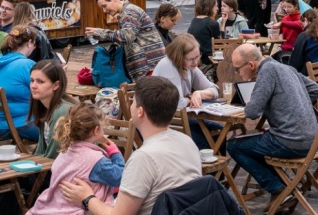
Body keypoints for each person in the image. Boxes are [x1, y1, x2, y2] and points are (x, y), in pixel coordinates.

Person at [59, 77, 201, 215]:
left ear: (140, 111)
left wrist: (86, 198)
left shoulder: (143, 158)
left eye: (133, 102)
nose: (130, 106)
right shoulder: (187, 142)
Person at [225, 44, 318, 200]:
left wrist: (255, 102)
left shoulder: (267, 72)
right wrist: (292, 102)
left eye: (237, 69)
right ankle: (283, 186)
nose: (237, 73)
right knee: (256, 142)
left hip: (290, 142)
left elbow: (252, 112)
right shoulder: (285, 68)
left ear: (251, 65)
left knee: (234, 145)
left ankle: (278, 188)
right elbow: (317, 89)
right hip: (312, 140)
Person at [0, 59, 77, 215]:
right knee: (10, 177)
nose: (33, 85)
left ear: (56, 85)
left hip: (66, 174)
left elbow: (55, 155)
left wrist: (28, 165)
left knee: (11, 180)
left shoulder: (62, 111)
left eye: (40, 81)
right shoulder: (45, 106)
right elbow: (42, 150)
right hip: (52, 168)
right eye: (31, 80)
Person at [26, 103, 122, 215]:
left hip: (52, 208)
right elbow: (119, 177)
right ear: (96, 130)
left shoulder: (65, 151)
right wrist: (115, 154)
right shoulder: (96, 160)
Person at [150, 34, 220, 149]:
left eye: (198, 56)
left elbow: (215, 91)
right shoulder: (168, 66)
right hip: (163, 121)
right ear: (179, 57)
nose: (196, 62)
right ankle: (202, 166)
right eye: (191, 59)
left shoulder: (190, 66)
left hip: (181, 118)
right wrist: (189, 97)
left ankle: (217, 166)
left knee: (218, 131)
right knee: (204, 140)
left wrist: (199, 93)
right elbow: (178, 104)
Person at [87, 0, 166, 82]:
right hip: (149, 67)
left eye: (104, 6)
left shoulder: (129, 12)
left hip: (149, 67)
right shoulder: (127, 11)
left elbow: (126, 37)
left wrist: (100, 33)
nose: (104, 10)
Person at [0, 25, 41, 142]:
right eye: (34, 45)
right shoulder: (27, 65)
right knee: (61, 132)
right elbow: (43, 94)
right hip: (21, 125)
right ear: (30, 43)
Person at [186, 0, 222, 66]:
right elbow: (219, 44)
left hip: (195, 56)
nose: (217, 9)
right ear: (210, 7)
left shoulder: (195, 20)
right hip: (207, 59)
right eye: (216, 6)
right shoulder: (212, 23)